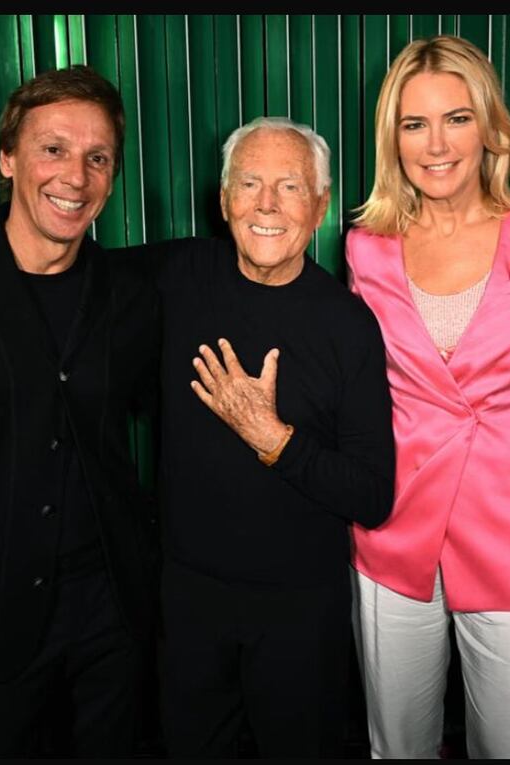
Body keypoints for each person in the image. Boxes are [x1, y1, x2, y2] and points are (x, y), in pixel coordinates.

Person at [345, 34, 510, 759]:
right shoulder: (366, 247)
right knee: (397, 746)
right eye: (414, 123)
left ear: (489, 126)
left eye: (456, 118)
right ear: (392, 139)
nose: (436, 144)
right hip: (394, 533)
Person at [131, 116, 395, 758]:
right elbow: (59, 267)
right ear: (224, 201)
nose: (267, 204)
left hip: (301, 613)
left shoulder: (348, 325)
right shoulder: (176, 274)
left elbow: (372, 496)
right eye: (249, 184)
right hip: (189, 601)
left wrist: (273, 438)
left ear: (320, 206)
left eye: (290, 186)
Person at [0, 66, 159, 756]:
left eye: (98, 158)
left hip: (110, 616)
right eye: (53, 149)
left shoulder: (133, 295)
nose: (75, 177)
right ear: (7, 158)